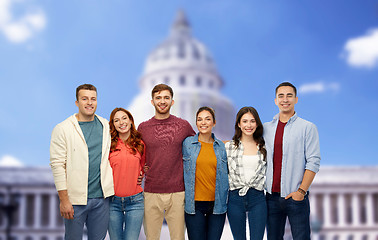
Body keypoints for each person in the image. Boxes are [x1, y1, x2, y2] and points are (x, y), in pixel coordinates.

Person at [49, 84, 114, 240]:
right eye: (84, 99)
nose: (89, 103)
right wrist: (64, 200)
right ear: (77, 102)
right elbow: (57, 165)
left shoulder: (106, 125)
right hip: (75, 200)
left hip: (102, 200)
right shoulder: (63, 128)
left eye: (93, 99)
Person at [137, 84, 195, 240]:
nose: (162, 101)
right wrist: (141, 169)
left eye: (166, 98)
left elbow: (198, 145)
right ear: (152, 101)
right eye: (158, 98)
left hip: (177, 192)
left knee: (178, 237)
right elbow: (136, 154)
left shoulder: (183, 126)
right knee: (151, 238)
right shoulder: (143, 127)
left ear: (172, 101)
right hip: (151, 192)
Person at [264, 82, 321, 240]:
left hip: (296, 198)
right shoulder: (266, 129)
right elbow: (246, 143)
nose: (285, 99)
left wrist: (301, 191)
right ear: (275, 100)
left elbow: (313, 161)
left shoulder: (307, 127)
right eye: (281, 96)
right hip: (271, 198)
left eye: (289, 95)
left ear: (296, 99)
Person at [182, 107, 229, 240]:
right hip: (194, 204)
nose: (203, 122)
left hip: (217, 205)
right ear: (196, 123)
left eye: (208, 119)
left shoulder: (222, 147)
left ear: (214, 123)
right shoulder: (187, 144)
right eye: (200, 119)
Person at [225, 106, 267, 240]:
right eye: (245, 121)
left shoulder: (264, 147)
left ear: (257, 124)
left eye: (252, 121)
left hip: (258, 198)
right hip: (235, 198)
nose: (249, 125)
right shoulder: (228, 146)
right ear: (238, 124)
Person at [108, 108, 146, 240]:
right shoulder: (109, 145)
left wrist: (142, 172)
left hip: (135, 201)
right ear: (113, 125)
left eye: (124, 118)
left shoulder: (140, 144)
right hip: (112, 202)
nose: (121, 122)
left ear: (130, 121)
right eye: (116, 120)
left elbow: (145, 166)